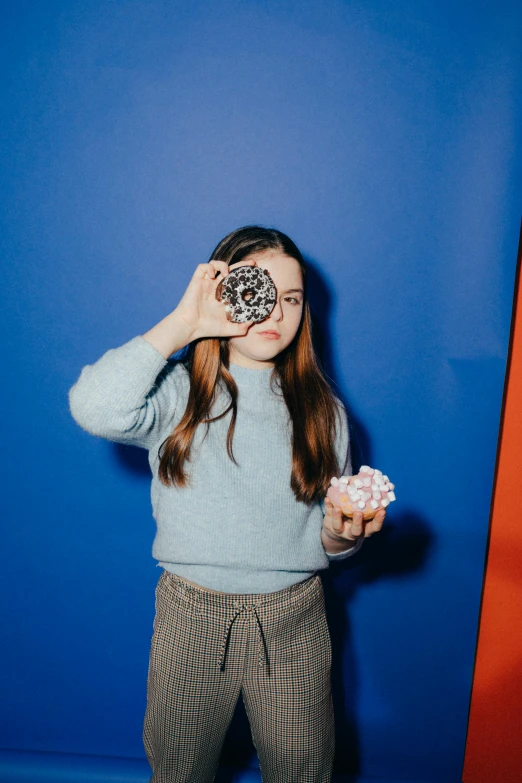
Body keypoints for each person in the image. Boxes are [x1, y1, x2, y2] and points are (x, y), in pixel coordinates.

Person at [68, 225, 385, 783]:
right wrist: (185, 324)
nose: (276, 312)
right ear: (223, 293)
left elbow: (324, 540)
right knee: (179, 768)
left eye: (291, 298)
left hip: (294, 617)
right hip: (192, 613)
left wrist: (343, 533)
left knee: (303, 768)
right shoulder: (177, 393)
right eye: (256, 290)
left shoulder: (323, 412)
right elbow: (95, 408)